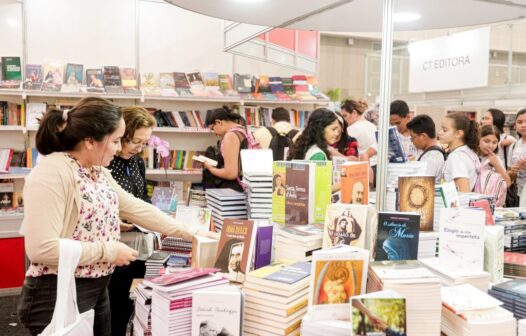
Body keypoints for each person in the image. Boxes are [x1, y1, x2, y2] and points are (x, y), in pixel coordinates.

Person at [17, 97, 208, 336]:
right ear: (89, 141)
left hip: (97, 286)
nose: (120, 148)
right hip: (59, 291)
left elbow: (134, 207)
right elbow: (41, 249)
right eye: (116, 140)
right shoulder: (52, 173)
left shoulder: (96, 171)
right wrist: (108, 251)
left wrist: (187, 231)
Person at [106, 105, 156, 336]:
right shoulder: (105, 164)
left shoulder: (137, 162)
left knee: (131, 303)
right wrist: (116, 220)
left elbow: (142, 198)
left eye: (144, 143)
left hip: (136, 244)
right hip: (111, 248)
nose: (139, 148)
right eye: (135, 141)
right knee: (113, 306)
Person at [202, 107, 256, 192]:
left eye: (213, 129)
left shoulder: (230, 136)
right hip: (246, 186)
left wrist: (210, 168)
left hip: (234, 189)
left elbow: (231, 173)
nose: (215, 133)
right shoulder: (244, 131)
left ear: (218, 122)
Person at [438, 112, 481, 192]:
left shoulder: (457, 157)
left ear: (458, 134)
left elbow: (463, 191)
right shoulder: (469, 152)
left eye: (445, 130)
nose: (439, 133)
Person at [406, 114, 446, 182]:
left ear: (423, 136)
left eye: (413, 137)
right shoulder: (433, 152)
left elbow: (422, 183)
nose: (412, 141)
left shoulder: (431, 157)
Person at [341, 99, 377, 168]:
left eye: (345, 116)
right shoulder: (372, 126)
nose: (344, 119)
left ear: (354, 113)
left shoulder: (351, 129)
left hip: (361, 166)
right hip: (375, 165)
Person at [509, 108, 526, 201]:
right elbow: (510, 174)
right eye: (519, 122)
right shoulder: (514, 145)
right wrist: (513, 170)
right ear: (515, 125)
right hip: (518, 194)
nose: (523, 125)